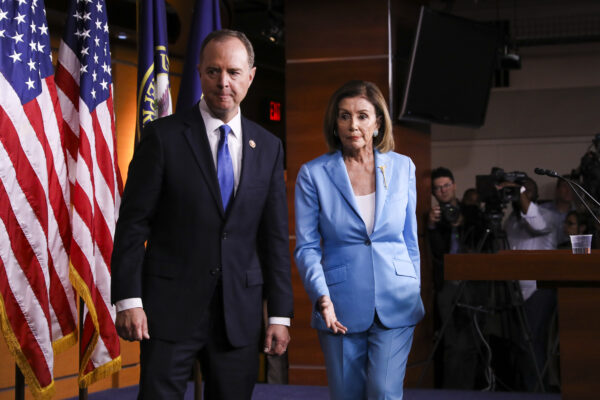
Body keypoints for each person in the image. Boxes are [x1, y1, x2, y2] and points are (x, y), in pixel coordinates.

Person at [111, 29, 294, 400]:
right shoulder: (162, 137)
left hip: (238, 318)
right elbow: (133, 225)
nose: (223, 82)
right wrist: (129, 300)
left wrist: (279, 314)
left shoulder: (270, 147)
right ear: (199, 72)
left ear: (251, 76)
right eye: (213, 71)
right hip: (167, 311)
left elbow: (274, 237)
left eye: (233, 72)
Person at [294, 80, 424, 400]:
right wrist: (321, 296)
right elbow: (308, 247)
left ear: (378, 123)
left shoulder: (403, 167)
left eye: (363, 116)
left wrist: (413, 285)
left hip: (397, 299)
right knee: (346, 395)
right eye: (344, 116)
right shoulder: (313, 174)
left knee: (383, 391)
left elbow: (410, 239)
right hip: (338, 304)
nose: (354, 125)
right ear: (334, 123)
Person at [426, 167, 486, 389]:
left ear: (454, 185)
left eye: (446, 186)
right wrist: (432, 225)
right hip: (447, 284)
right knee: (451, 343)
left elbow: (482, 238)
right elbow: (436, 253)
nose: (442, 191)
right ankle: (451, 391)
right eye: (437, 188)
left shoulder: (470, 212)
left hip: (472, 282)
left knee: (472, 342)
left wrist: (463, 222)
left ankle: (470, 389)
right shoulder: (434, 216)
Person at [503, 177, 557, 391]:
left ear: (532, 194)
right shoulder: (511, 221)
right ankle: (524, 388)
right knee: (519, 344)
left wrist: (519, 193)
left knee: (533, 342)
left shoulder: (547, 215)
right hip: (516, 292)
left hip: (538, 289)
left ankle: (536, 390)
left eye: (524, 190)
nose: (518, 196)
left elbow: (536, 224)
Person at [540, 177, 575, 246]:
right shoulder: (542, 209)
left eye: (571, 186)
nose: (568, 190)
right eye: (565, 186)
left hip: (569, 253)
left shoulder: (578, 213)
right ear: (557, 190)